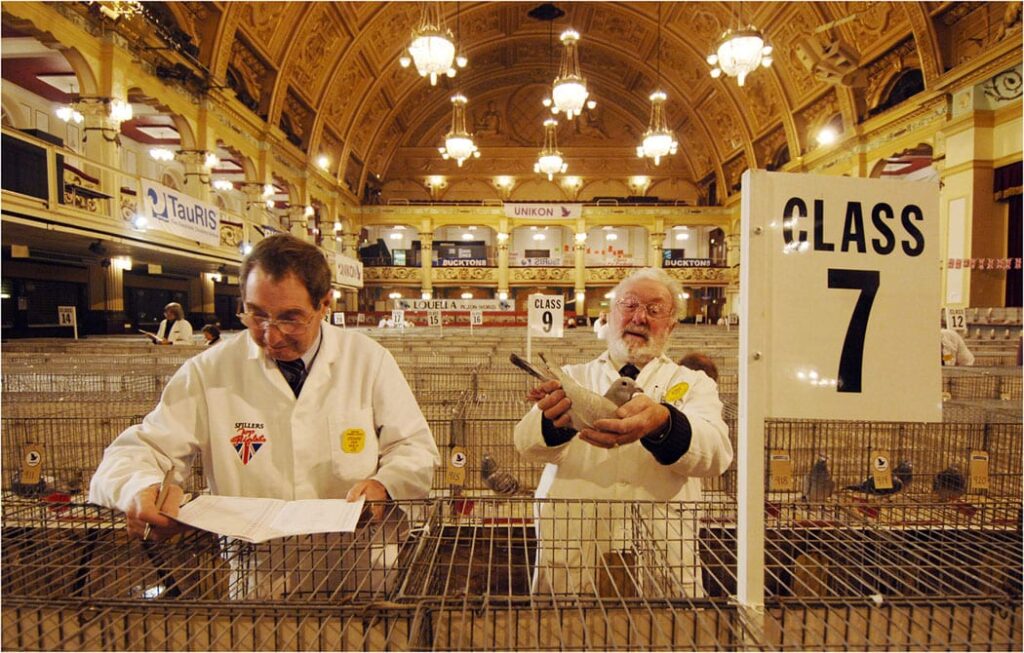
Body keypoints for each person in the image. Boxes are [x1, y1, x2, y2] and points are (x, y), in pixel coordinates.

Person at [90, 234, 440, 543]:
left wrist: (385, 486)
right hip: (259, 572)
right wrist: (139, 489)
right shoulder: (209, 371)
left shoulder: (368, 360)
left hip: (357, 562)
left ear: (324, 305)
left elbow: (413, 447)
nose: (271, 335)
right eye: (256, 315)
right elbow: (140, 449)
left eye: (290, 317)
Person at [514, 268, 732, 597]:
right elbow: (525, 443)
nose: (639, 317)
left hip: (661, 551)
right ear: (611, 315)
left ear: (672, 325)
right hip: (575, 545)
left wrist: (664, 423)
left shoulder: (694, 383)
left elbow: (716, 454)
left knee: (662, 640)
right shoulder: (574, 376)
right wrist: (553, 422)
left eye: (655, 310)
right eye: (629, 305)